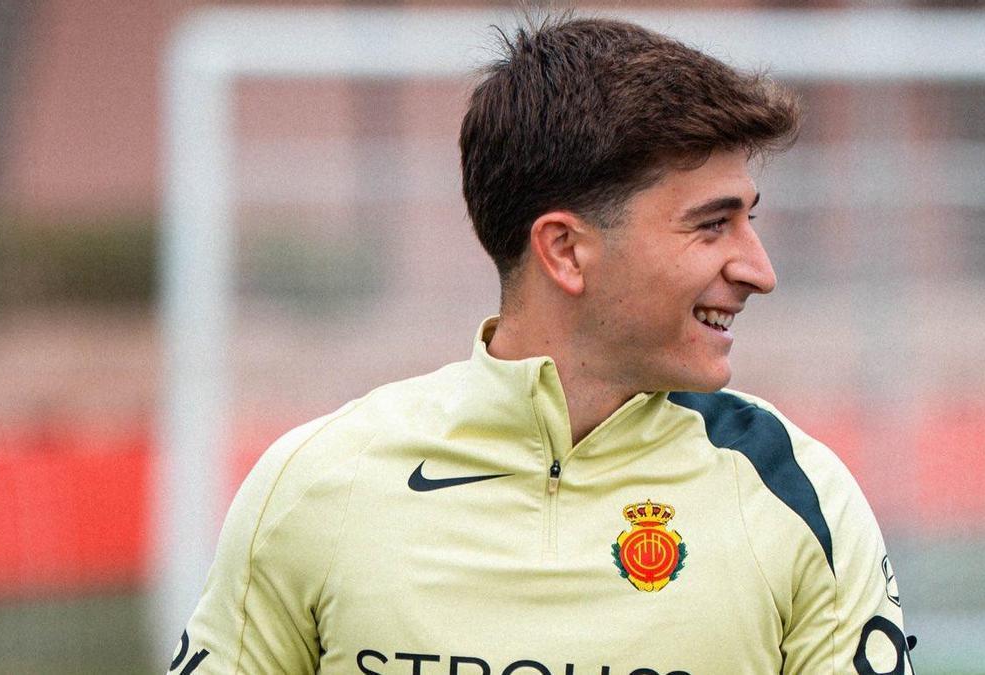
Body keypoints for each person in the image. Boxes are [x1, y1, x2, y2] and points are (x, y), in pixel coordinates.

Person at [169, 15, 913, 675]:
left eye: (749, 220)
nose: (760, 269)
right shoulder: (315, 485)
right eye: (713, 225)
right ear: (564, 250)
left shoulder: (798, 493)